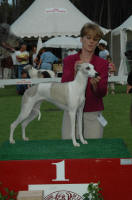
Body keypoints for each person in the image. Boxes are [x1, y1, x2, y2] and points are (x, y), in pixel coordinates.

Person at [61, 23, 108, 139]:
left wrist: (95, 86)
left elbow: (102, 93)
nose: (91, 42)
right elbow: (64, 87)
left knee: (93, 153)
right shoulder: (69, 60)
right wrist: (75, 71)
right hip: (71, 113)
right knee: (69, 152)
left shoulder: (102, 64)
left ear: (98, 43)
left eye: (95, 39)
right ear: (81, 39)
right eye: (88, 38)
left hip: (92, 114)